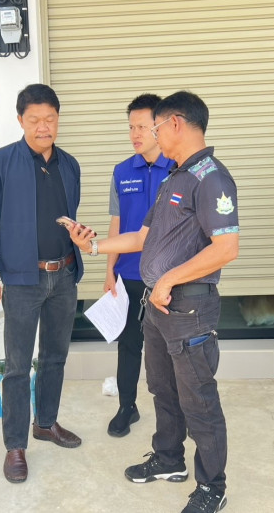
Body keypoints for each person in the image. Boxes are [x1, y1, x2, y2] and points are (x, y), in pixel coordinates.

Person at [70, 91, 238, 513]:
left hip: (189, 309)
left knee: (198, 399)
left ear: (175, 123)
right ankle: (168, 459)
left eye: (155, 127)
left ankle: (212, 487)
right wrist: (94, 247)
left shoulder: (211, 179)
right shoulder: (173, 178)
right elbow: (142, 238)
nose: (151, 135)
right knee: (162, 388)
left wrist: (169, 279)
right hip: (159, 307)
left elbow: (226, 248)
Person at [0, 83, 84, 484]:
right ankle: (15, 446)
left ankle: (46, 423)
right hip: (22, 280)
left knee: (55, 356)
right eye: (34, 119)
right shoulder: (0, 163)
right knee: (18, 365)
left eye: (50, 119)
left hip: (64, 275)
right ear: (20, 120)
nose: (43, 127)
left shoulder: (70, 165)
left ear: (58, 120)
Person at [104, 93, 176, 438]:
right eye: (131, 127)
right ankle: (126, 407)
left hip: (168, 277)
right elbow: (116, 224)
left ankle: (177, 412)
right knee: (129, 345)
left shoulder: (177, 168)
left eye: (142, 127)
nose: (135, 133)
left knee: (171, 349)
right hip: (130, 275)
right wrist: (109, 271)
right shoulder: (122, 171)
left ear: (159, 127)